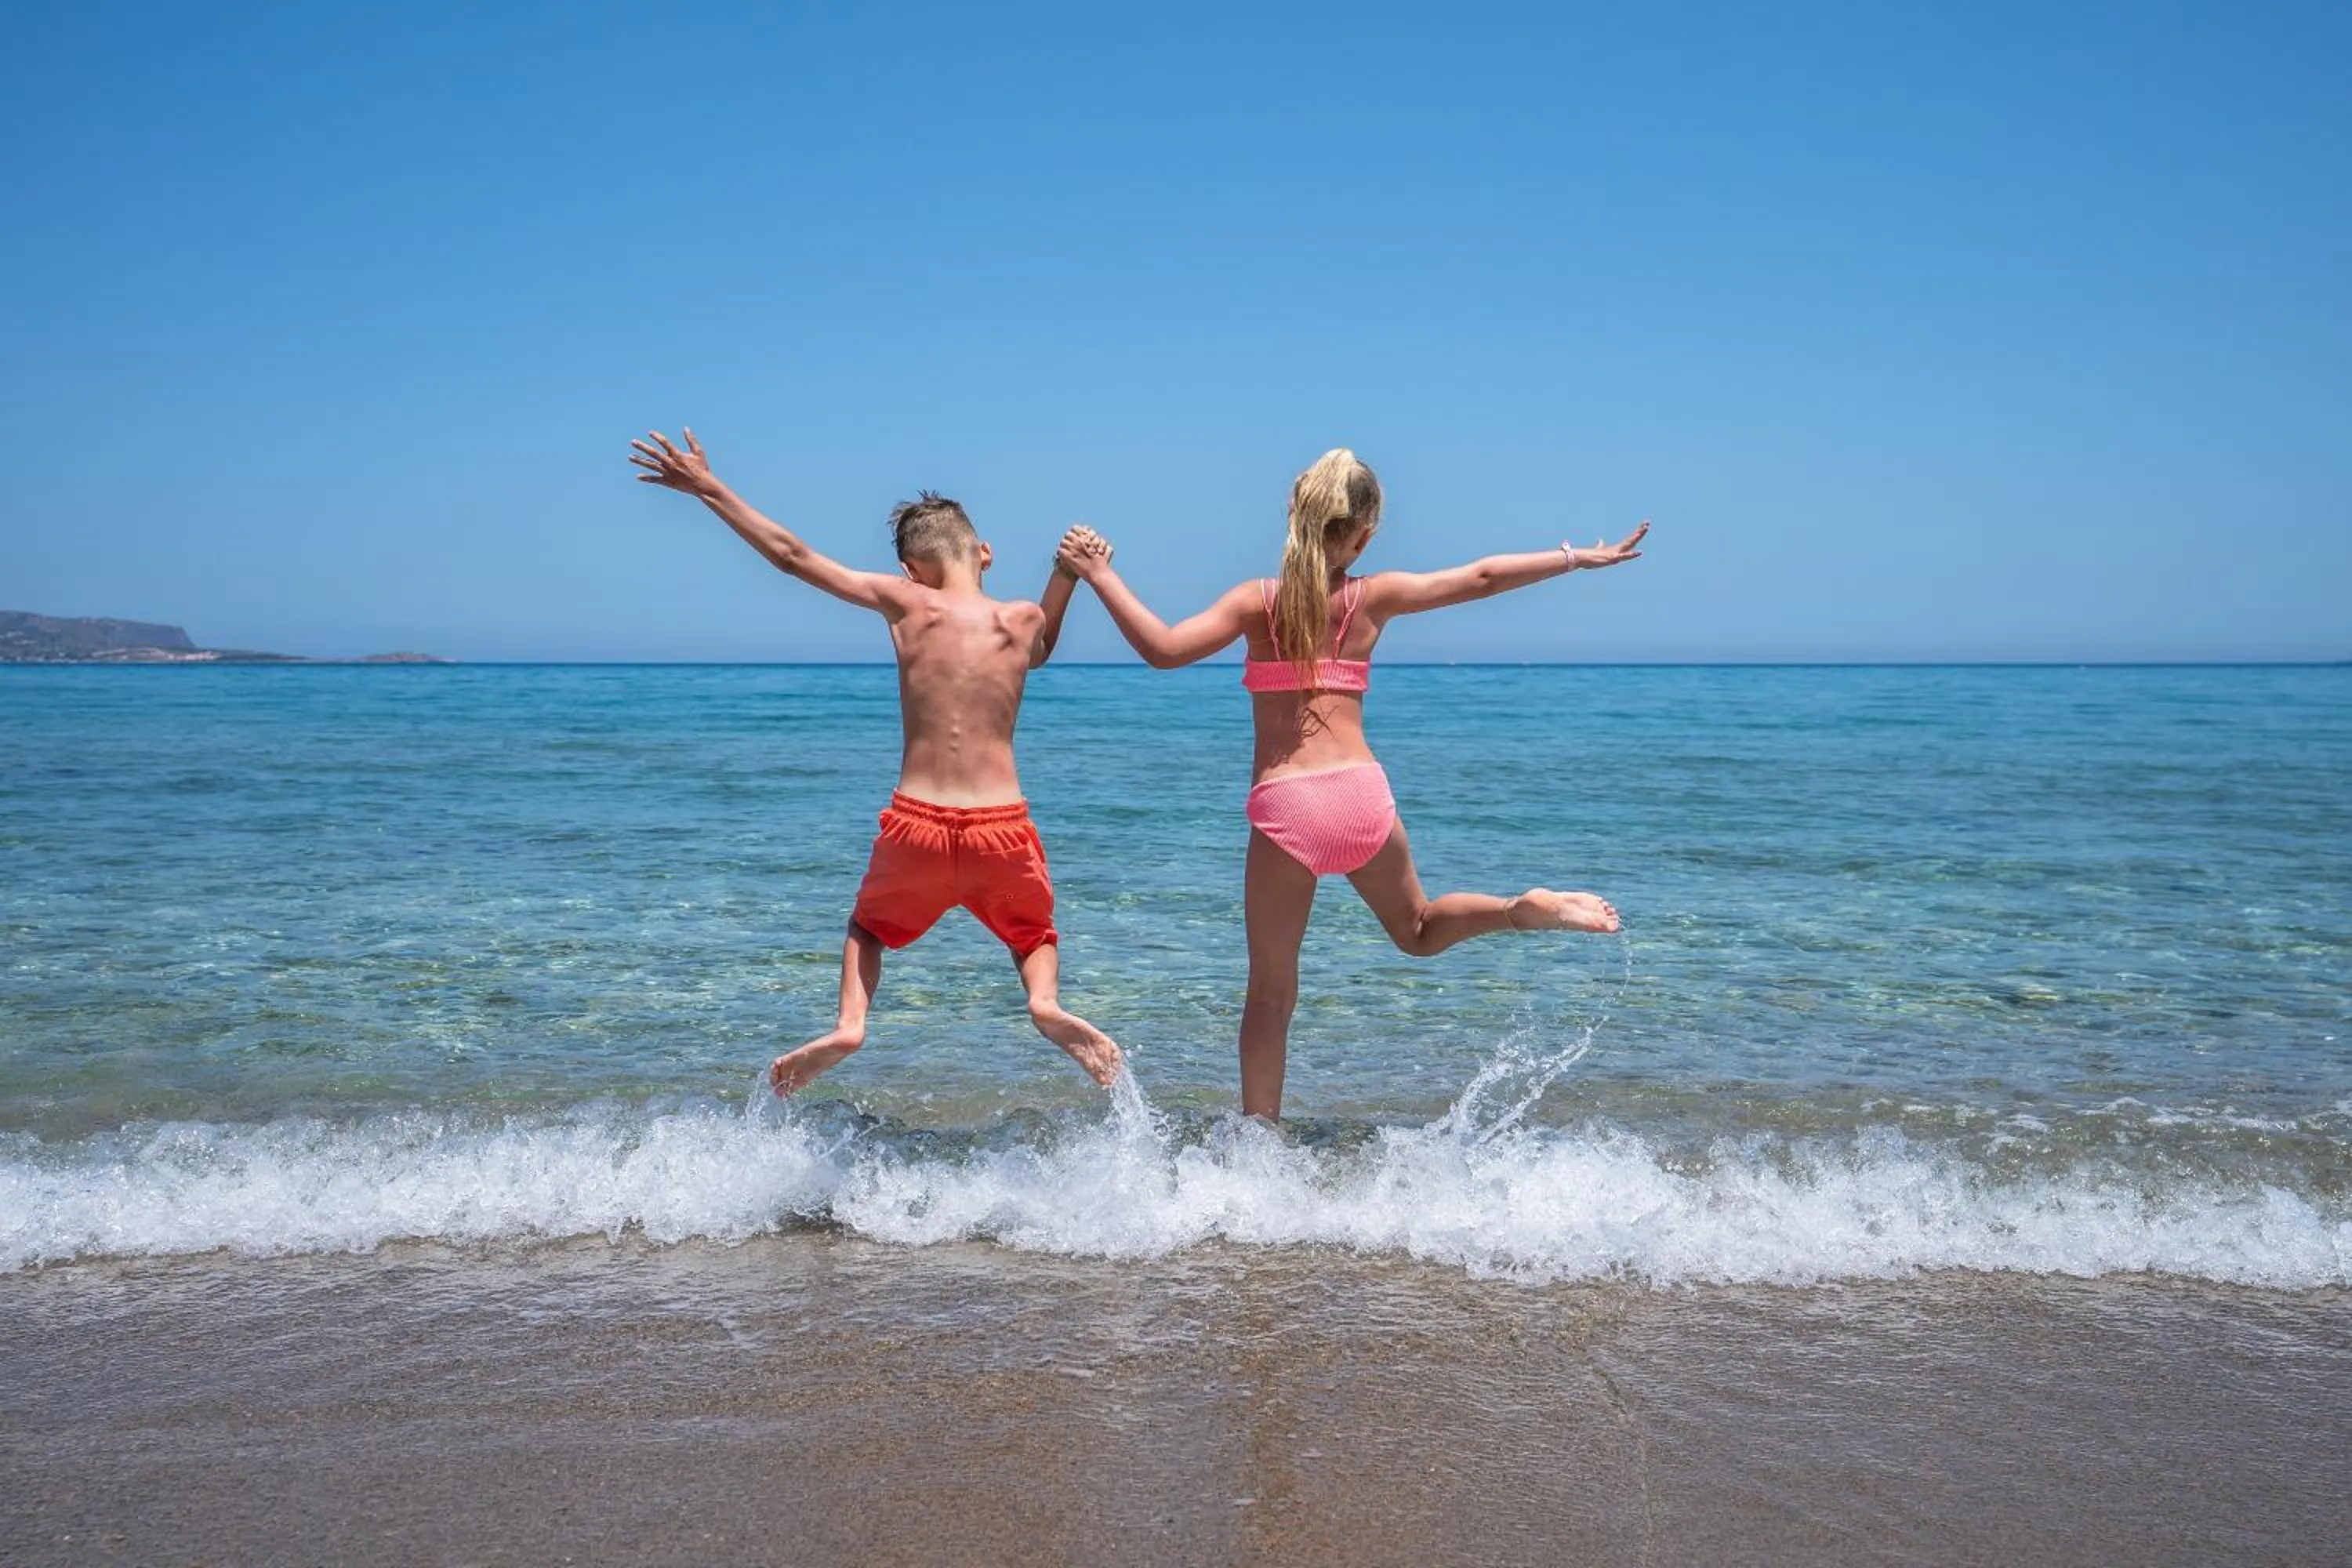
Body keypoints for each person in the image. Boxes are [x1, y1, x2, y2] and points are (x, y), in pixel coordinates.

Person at [1056, 448, 1645, 1120]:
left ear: (1293, 516)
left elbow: (1163, 650)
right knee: (1418, 929)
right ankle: (1518, 909)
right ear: (1363, 537)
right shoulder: (1374, 596)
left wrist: (1100, 574)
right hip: (1361, 795)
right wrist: (1573, 557)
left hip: (1289, 804)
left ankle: (1259, 1145)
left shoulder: (1256, 602)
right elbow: (1482, 577)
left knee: (1271, 993)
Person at [630, 427, 1123, 1096]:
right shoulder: (1023, 618)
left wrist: (709, 488)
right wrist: (1066, 575)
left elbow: (792, 556)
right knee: (1033, 937)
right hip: (1000, 827)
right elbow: (1039, 652)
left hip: (917, 825)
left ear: (910, 570)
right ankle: (1044, 1005)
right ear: (985, 552)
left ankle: (850, 1025)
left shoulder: (905, 602)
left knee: (867, 930)